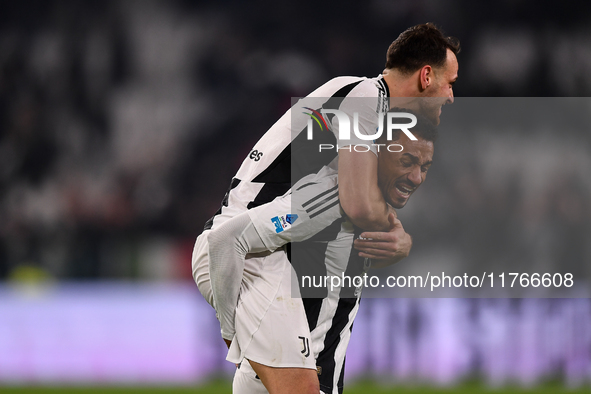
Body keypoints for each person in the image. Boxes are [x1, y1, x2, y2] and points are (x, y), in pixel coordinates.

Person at [192, 23, 458, 393]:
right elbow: (355, 201)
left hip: (268, 247)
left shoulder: (368, 114)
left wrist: (393, 237)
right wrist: (397, 233)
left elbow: (350, 205)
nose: (451, 96)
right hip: (250, 249)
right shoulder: (368, 96)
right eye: (450, 83)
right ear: (426, 76)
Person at [204, 110, 437, 394]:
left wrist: (400, 244)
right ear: (378, 152)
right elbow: (226, 239)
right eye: (407, 162)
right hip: (297, 372)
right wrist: (229, 332)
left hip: (307, 372)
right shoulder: (330, 196)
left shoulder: (369, 206)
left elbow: (329, 261)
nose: (416, 177)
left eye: (424, 167)